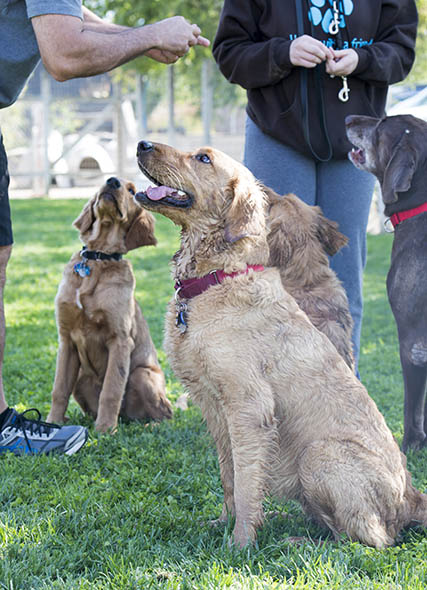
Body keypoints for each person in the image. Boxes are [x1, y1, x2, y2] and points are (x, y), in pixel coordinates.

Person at [0, 1, 210, 455]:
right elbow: (65, 53)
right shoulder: (77, 258)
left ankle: (6, 422)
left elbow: (78, 22)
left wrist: (150, 38)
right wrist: (152, 34)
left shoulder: (124, 268)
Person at [212, 0, 418, 371]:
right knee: (271, 275)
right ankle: (275, 401)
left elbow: (401, 51)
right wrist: (283, 52)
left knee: (344, 281)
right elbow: (229, 53)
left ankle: (343, 403)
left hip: (354, 140)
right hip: (276, 134)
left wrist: (363, 59)